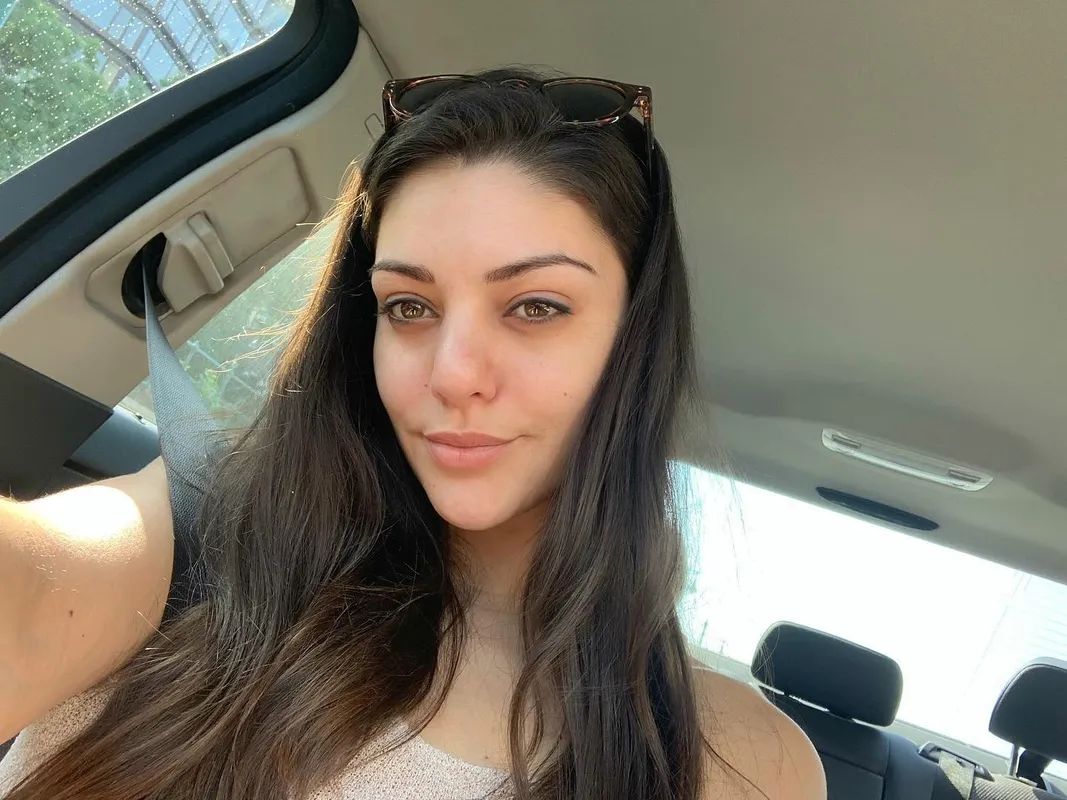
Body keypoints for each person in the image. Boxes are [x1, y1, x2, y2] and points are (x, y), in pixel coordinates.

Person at [0, 68, 825, 800]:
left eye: (536, 306)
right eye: (409, 306)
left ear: (634, 342)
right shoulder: (203, 531)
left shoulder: (742, 762)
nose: (452, 374)